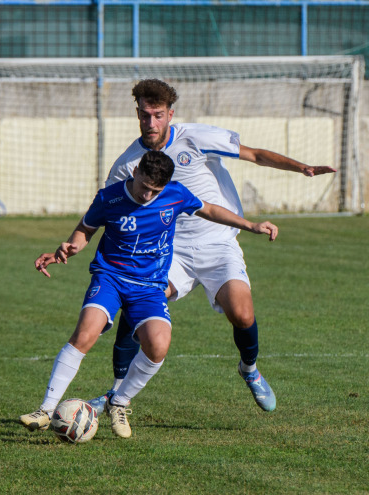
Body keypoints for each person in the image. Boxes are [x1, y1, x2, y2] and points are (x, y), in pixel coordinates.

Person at [87, 79, 337, 415]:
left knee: (242, 314)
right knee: (138, 310)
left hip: (218, 242)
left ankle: (249, 369)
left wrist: (301, 168)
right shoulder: (127, 164)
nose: (151, 123)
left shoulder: (196, 137)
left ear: (170, 114)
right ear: (137, 114)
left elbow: (255, 154)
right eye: (145, 115)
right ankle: (115, 394)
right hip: (168, 251)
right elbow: (114, 208)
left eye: (158, 115)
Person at [19, 151, 277, 438]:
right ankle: (46, 409)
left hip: (149, 286)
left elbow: (211, 210)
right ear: (136, 172)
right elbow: (85, 230)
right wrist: (69, 247)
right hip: (111, 277)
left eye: (155, 191)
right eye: (144, 186)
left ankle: (119, 402)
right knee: (85, 333)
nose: (147, 195)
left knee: (158, 345)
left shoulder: (175, 194)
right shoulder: (110, 198)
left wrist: (250, 225)